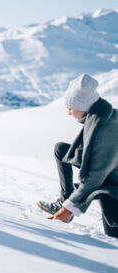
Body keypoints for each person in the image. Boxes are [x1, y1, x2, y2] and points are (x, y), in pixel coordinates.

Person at [37, 74, 118, 237]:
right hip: (110, 174)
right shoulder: (99, 116)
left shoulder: (105, 128)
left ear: (83, 105)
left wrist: (68, 209)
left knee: (113, 234)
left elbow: (95, 176)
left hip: (113, 184)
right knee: (61, 150)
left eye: (70, 108)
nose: (68, 113)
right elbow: (86, 152)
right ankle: (64, 198)